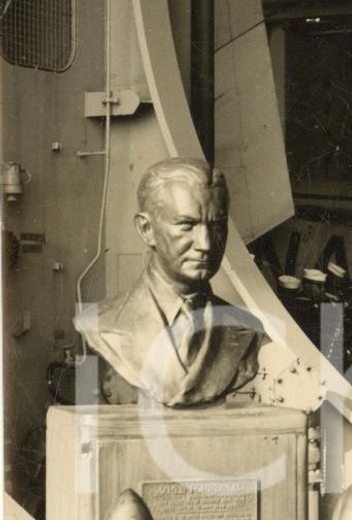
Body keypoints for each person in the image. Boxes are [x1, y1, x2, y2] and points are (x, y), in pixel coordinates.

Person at [75, 157, 266, 407]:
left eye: (217, 226)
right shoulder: (100, 323)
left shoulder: (248, 330)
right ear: (146, 229)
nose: (206, 244)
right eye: (187, 225)